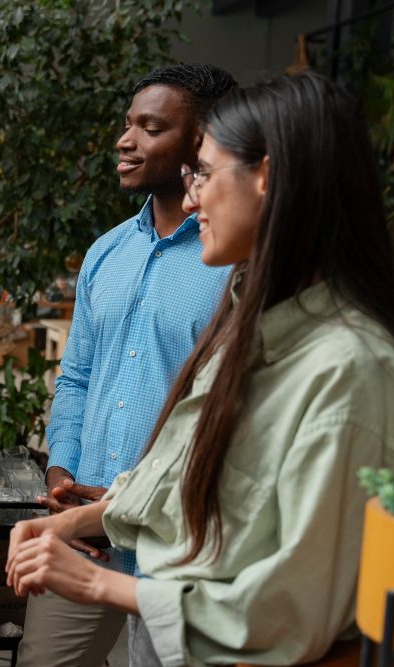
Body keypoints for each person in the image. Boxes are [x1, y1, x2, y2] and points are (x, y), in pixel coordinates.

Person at [7, 71, 394, 666]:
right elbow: (202, 476)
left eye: (205, 173)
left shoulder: (349, 369)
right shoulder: (259, 323)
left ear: (267, 177)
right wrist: (81, 519)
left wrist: (102, 583)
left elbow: (291, 607)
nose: (192, 198)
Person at [18, 64, 236, 667]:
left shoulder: (238, 261)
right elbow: (78, 375)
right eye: (127, 124)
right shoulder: (107, 252)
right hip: (84, 528)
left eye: (150, 126)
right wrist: (60, 475)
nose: (125, 139)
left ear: (203, 141)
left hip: (179, 536)